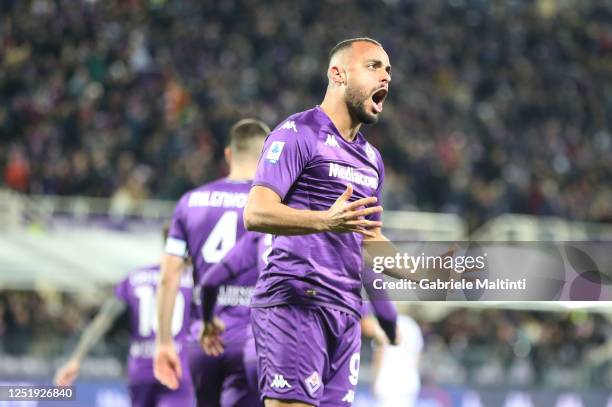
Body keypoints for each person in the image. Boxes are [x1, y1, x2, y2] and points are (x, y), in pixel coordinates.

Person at [243, 37, 394, 407]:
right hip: (298, 302)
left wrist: (424, 271)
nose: (386, 77)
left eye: (389, 70)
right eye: (374, 66)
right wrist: (325, 221)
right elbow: (256, 212)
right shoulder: (299, 133)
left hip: (346, 314)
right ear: (338, 73)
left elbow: (370, 239)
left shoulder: (372, 160)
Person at [154, 118, 269, 407]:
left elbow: (169, 276)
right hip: (256, 339)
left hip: (204, 338)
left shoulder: (190, 202)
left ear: (228, 154)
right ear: (268, 155)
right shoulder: (273, 208)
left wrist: (164, 342)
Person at [54, 229, 195, 407]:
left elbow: (103, 321)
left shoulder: (133, 278)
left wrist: (75, 359)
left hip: (140, 370)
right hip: (177, 367)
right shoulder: (192, 280)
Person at [371, 314, 423, 407]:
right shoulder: (412, 325)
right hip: (409, 382)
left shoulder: (385, 324)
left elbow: (379, 353)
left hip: (387, 382)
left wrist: (375, 380)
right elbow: (418, 354)